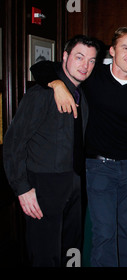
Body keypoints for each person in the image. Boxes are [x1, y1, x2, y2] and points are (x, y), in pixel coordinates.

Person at [30, 27, 127, 267]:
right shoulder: (94, 75)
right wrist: (57, 84)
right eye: (125, 48)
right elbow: (39, 68)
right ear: (111, 51)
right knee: (104, 233)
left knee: (124, 232)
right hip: (98, 167)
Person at [3, 35, 100, 266]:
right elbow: (14, 143)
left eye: (91, 60)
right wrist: (22, 188)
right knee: (46, 256)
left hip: (75, 183)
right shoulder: (42, 94)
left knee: (71, 253)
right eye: (79, 57)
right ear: (65, 57)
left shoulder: (83, 94)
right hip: (43, 186)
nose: (85, 65)